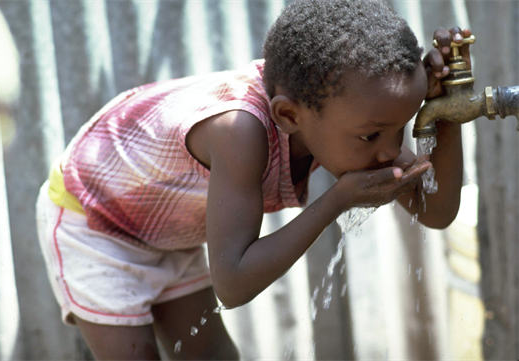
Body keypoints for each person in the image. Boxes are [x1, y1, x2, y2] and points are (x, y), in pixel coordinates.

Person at [36, 0, 467, 359]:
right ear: (289, 116)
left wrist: (447, 112)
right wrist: (336, 201)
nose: (390, 151)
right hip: (93, 220)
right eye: (374, 135)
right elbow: (235, 283)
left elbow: (436, 211)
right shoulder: (241, 131)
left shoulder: (348, 118)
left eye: (402, 129)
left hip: (165, 225)